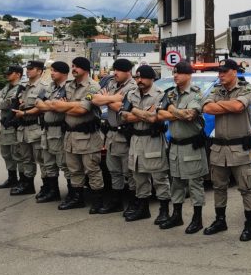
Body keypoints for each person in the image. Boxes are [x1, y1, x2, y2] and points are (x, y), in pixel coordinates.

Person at [201, 59, 251, 240]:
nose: (221, 74)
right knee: (219, 187)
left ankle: (250, 225)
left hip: (240, 148)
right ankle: (220, 220)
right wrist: (228, 106)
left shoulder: (246, 88)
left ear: (234, 72)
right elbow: (207, 108)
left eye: (224, 71)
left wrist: (222, 106)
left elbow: (239, 106)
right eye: (219, 71)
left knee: (246, 188)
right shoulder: (217, 89)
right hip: (219, 148)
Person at [153, 60, 207, 234]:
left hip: (191, 146)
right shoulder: (170, 94)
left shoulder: (196, 94)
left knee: (195, 184)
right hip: (175, 146)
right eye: (174, 72)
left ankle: (197, 219)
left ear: (188, 75)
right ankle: (177, 216)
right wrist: (175, 112)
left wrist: (170, 110)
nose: (175, 75)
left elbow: (190, 115)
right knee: (176, 182)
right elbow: (159, 114)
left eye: (179, 73)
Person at [46, 56, 105, 212]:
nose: (73, 69)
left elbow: (82, 109)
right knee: (74, 170)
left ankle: (98, 201)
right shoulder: (69, 85)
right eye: (72, 66)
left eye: (77, 66)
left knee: (92, 170)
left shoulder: (93, 86)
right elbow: (54, 105)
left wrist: (65, 105)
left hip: (88, 136)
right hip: (70, 135)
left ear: (85, 69)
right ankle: (77, 198)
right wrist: (65, 106)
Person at [119, 64, 170, 223]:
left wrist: (134, 111)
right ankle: (143, 208)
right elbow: (122, 115)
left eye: (143, 78)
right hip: (136, 140)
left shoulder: (160, 95)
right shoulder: (131, 94)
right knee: (139, 176)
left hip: (153, 140)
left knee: (159, 177)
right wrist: (144, 114)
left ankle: (164, 211)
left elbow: (155, 118)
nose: (139, 80)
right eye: (137, 77)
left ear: (152, 78)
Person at [91, 58, 138, 215]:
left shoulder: (133, 86)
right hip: (111, 134)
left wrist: (107, 100)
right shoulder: (112, 84)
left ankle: (134, 202)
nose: (115, 73)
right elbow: (94, 99)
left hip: (125, 134)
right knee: (114, 171)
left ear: (127, 72)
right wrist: (114, 98)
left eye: (118, 70)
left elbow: (123, 107)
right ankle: (116, 202)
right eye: (114, 70)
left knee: (129, 172)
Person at [10, 60, 47, 196]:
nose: (28, 70)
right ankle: (28, 185)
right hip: (23, 129)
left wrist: (24, 112)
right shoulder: (24, 87)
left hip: (35, 127)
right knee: (26, 159)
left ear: (39, 71)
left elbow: (42, 107)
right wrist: (20, 107)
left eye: (31, 69)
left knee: (42, 159)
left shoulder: (44, 86)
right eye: (28, 68)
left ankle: (47, 187)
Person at [34, 61, 69, 203]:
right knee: (48, 163)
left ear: (63, 73)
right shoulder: (49, 87)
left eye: (54, 70)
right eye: (51, 70)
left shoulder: (68, 88)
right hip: (47, 130)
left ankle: (73, 193)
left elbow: (63, 107)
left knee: (64, 164)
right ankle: (53, 191)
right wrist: (51, 105)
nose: (52, 73)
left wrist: (49, 104)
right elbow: (38, 102)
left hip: (60, 131)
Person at [0, 64, 24, 190]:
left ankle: (23, 180)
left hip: (14, 126)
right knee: (6, 154)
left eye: (10, 73)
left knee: (17, 154)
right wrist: (4, 102)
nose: (7, 75)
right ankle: (12, 178)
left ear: (18, 74)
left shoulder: (21, 88)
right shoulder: (6, 88)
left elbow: (7, 104)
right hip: (4, 126)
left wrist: (3, 102)